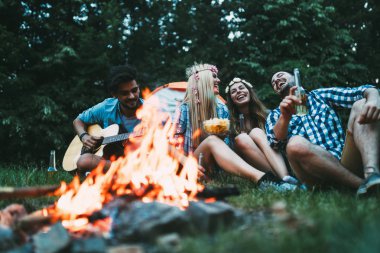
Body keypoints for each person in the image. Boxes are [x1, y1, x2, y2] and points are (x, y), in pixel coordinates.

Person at [174, 63, 298, 191]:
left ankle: (281, 181)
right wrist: (184, 161)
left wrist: (222, 137)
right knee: (212, 141)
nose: (218, 80)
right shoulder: (184, 109)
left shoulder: (221, 109)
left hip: (212, 168)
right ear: (203, 80)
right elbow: (166, 144)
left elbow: (226, 149)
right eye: (214, 77)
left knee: (221, 139)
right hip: (188, 165)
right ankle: (263, 179)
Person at [267, 71, 380, 196]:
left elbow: (362, 91)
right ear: (276, 92)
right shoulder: (276, 114)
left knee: (361, 104)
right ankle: (360, 184)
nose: (277, 80)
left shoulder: (320, 96)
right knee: (294, 144)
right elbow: (274, 143)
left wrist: (374, 99)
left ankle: (372, 175)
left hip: (344, 160)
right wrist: (285, 116)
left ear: (295, 77)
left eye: (280, 75)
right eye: (273, 82)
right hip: (313, 175)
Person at [225, 77, 298, 184]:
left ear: (249, 92)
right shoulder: (230, 125)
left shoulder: (268, 115)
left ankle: (285, 178)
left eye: (241, 88)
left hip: (280, 159)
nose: (239, 91)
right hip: (252, 166)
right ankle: (283, 181)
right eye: (233, 91)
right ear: (231, 99)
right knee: (242, 138)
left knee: (256, 132)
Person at [73, 64, 143, 173]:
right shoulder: (107, 107)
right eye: (125, 93)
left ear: (138, 87)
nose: (132, 96)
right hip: (108, 160)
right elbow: (78, 121)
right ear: (115, 94)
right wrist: (84, 137)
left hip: (135, 160)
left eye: (134, 90)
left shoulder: (150, 112)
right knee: (84, 161)